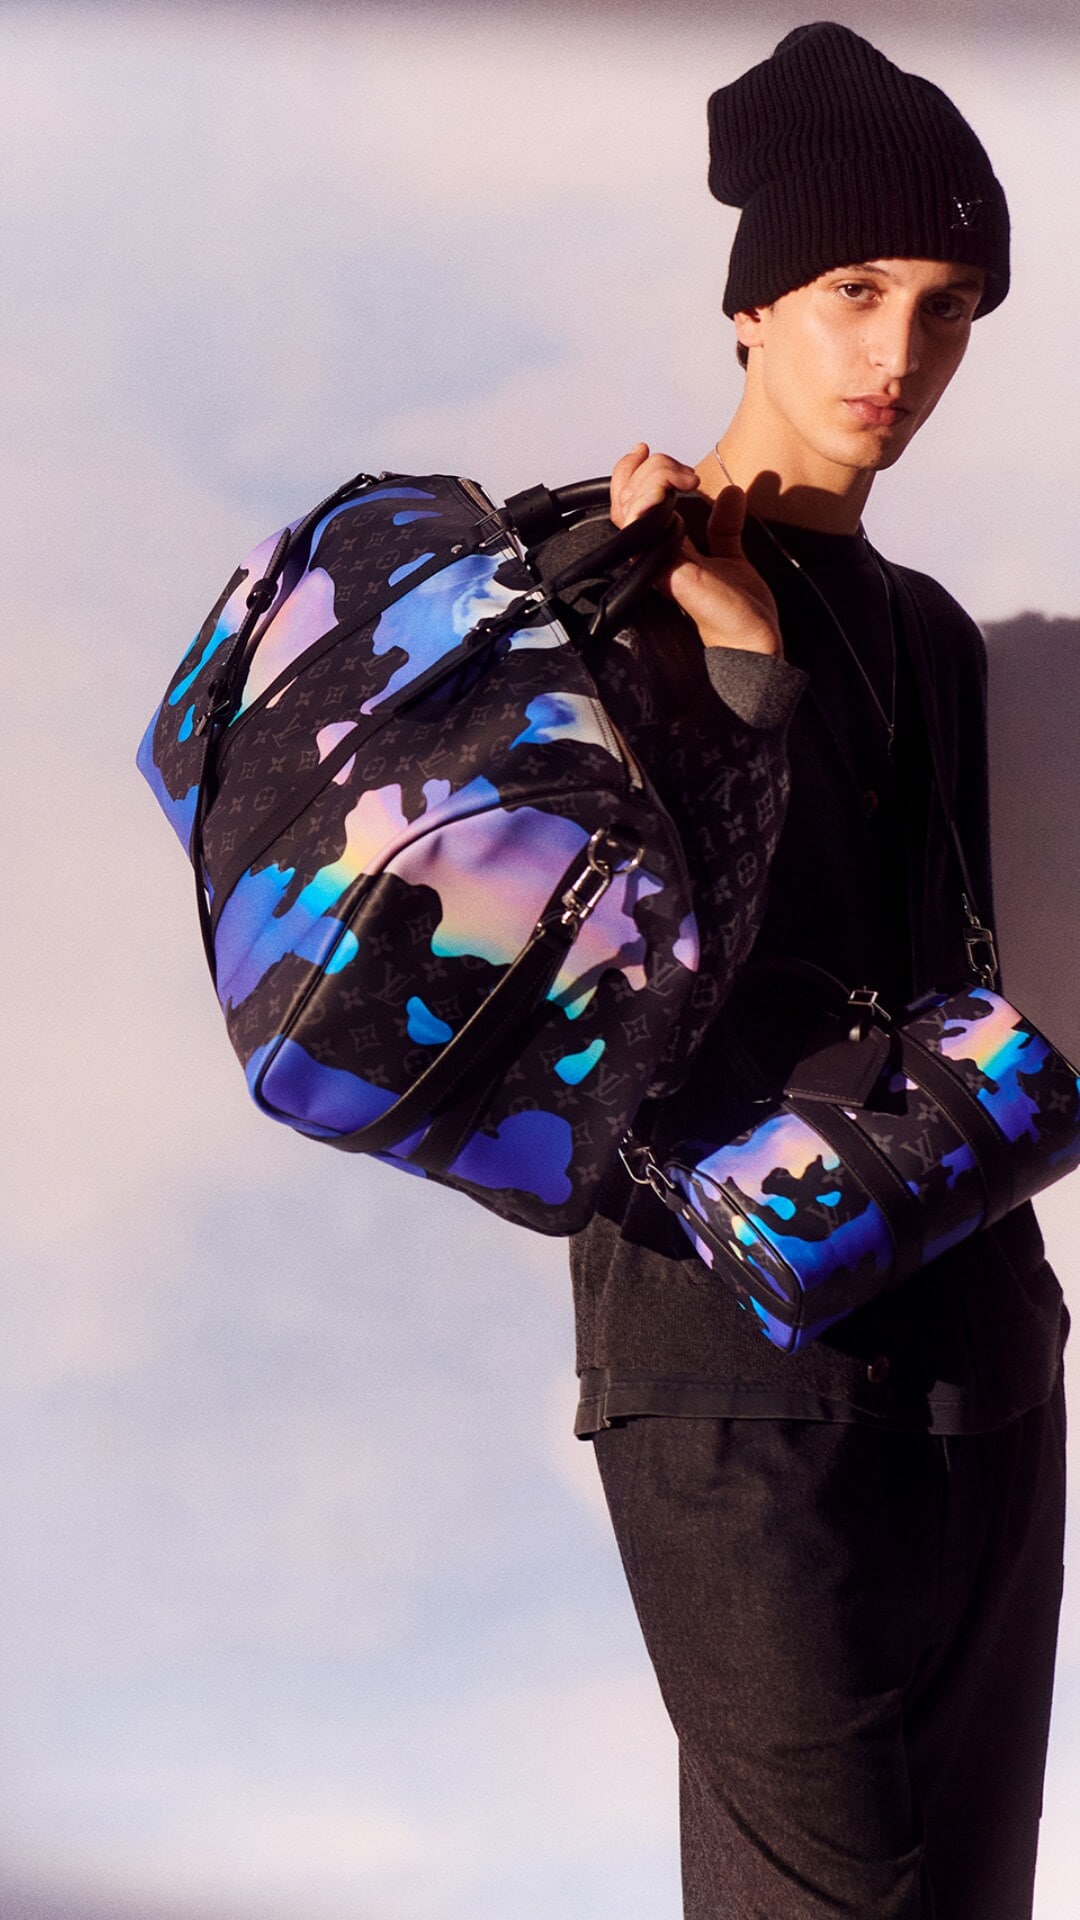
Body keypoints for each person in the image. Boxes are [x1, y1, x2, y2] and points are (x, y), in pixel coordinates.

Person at [570, 24, 1068, 1920]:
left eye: (948, 308)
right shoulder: (600, 577)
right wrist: (738, 674)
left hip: (982, 1355)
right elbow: (617, 1012)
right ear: (754, 307)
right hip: (731, 1377)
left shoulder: (931, 635)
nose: (900, 354)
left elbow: (931, 964)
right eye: (855, 289)